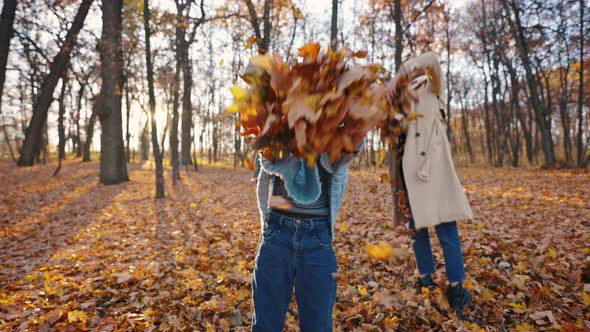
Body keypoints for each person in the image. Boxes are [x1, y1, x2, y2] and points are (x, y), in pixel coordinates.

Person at [387, 52, 473, 319]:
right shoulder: (398, 97)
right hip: (406, 170)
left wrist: (405, 68)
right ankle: (427, 278)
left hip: (431, 172)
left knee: (446, 227)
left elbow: (433, 59)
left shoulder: (432, 85)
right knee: (417, 230)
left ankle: (456, 286)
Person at [252, 144, 362, 331]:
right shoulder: (279, 118)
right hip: (277, 230)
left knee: (318, 325)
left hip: (318, 236)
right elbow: (266, 158)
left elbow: (350, 149)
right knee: (265, 325)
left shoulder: (340, 121)